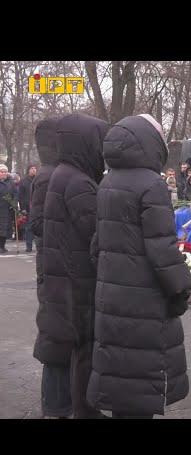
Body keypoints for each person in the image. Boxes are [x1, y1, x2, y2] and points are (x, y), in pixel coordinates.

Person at [87, 113, 191, 419]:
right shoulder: (151, 185)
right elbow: (161, 247)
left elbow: (98, 243)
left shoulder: (107, 182)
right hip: (145, 296)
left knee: (121, 378)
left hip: (112, 293)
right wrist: (179, 289)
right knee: (142, 375)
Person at [40, 113, 110, 419]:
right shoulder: (78, 181)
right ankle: (85, 409)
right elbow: (98, 230)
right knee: (84, 348)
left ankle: (73, 406)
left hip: (64, 276)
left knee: (75, 347)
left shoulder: (64, 174)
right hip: (76, 279)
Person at [29, 118, 72, 418]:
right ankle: (56, 405)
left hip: (52, 264)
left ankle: (58, 403)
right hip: (54, 266)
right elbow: (38, 225)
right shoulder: (49, 176)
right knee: (57, 335)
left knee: (57, 334)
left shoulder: (49, 173)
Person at [18, 164, 37, 252]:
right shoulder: (23, 181)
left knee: (38, 227)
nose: (34, 170)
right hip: (27, 207)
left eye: (35, 168)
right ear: (28, 170)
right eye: (32, 168)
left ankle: (38, 246)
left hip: (37, 207)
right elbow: (20, 196)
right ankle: (29, 246)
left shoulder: (38, 180)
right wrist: (22, 208)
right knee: (28, 228)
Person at [0, 164, 16, 253]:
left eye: (5, 172)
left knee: (5, 228)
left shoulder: (11, 182)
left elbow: (15, 193)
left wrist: (14, 203)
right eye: (2, 172)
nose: (4, 173)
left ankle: (2, 246)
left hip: (7, 208)